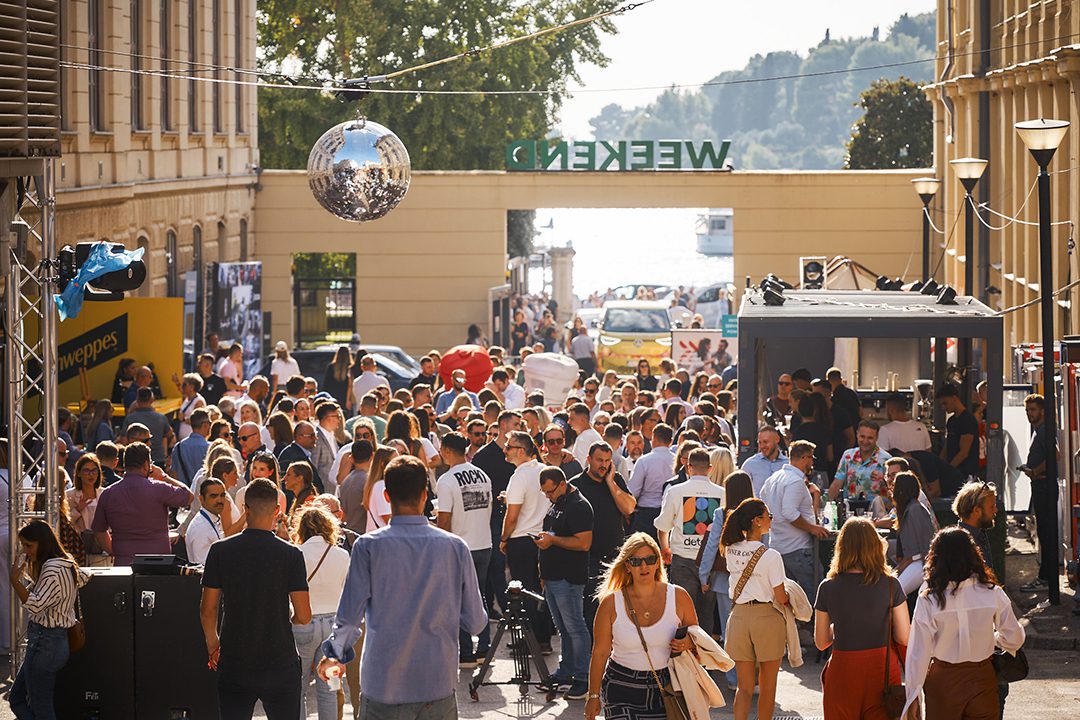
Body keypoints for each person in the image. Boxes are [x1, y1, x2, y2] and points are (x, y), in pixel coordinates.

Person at [317, 456, 488, 719]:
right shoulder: (455, 547)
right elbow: (476, 622)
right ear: (425, 495)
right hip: (437, 683)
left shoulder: (368, 546)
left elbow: (350, 617)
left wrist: (335, 653)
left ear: (387, 496)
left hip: (384, 683)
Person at [200, 478, 312, 719]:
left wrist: (213, 644)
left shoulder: (220, 550)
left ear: (245, 509)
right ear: (277, 510)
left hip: (235, 659)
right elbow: (304, 616)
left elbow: (208, 609)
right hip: (280, 660)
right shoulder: (291, 554)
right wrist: (287, 618)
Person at [903, 528, 1025, 720]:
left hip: (943, 680)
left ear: (936, 558)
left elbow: (919, 653)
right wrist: (993, 638)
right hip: (982, 677)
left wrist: (912, 696)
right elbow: (1015, 639)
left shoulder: (929, 599)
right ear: (973, 555)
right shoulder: (992, 592)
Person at [583, 532, 698, 720]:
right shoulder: (611, 604)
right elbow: (600, 652)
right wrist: (593, 696)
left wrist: (687, 643)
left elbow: (697, 639)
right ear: (627, 566)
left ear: (658, 562)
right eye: (636, 561)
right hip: (621, 686)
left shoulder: (679, 597)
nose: (644, 566)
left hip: (667, 687)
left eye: (650, 560)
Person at [814, 517, 910, 720]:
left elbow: (821, 642)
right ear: (876, 546)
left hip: (843, 671)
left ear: (841, 547)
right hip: (881, 671)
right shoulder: (891, 585)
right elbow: (904, 637)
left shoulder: (827, 587)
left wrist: (842, 625)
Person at [9, 520, 88, 720]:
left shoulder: (53, 568)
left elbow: (36, 605)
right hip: (51, 642)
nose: (25, 551)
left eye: (29, 545)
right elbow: (85, 576)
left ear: (42, 543)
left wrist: (15, 582)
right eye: (23, 545)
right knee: (18, 699)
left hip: (46, 643)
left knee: (39, 707)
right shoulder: (65, 562)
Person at [722, 498, 789, 720]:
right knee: (768, 687)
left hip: (739, 617)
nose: (771, 520)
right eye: (769, 516)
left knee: (744, 687)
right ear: (757, 521)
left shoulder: (730, 549)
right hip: (765, 617)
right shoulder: (772, 556)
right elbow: (780, 596)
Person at [435, 432, 494, 667]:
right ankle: (484, 647)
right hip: (483, 543)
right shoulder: (482, 475)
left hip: (460, 546)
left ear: (448, 450)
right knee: (480, 596)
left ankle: (467, 652)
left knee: (458, 598)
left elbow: (444, 520)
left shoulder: (447, 480)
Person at [535, 466, 594, 699]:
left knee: (575, 628)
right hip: (553, 576)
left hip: (568, 578)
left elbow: (584, 543)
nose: (548, 496)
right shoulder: (559, 502)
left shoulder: (579, 505)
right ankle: (566, 671)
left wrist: (552, 541)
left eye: (550, 491)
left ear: (562, 484)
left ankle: (583, 678)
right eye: (545, 493)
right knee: (564, 629)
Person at [654, 447, 725, 635]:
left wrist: (665, 548)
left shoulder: (675, 491)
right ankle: (704, 650)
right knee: (706, 613)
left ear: (688, 467)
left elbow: (663, 526)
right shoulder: (722, 494)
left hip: (683, 559)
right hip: (711, 561)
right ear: (710, 468)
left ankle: (684, 650)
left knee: (682, 611)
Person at [291, 505, 350, 720]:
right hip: (333, 626)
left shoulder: (295, 554)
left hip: (303, 623)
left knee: (298, 688)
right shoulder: (342, 555)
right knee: (329, 689)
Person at [91, 442, 194, 565]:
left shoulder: (108, 493)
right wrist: (163, 476)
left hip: (124, 561)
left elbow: (99, 530)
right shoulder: (159, 488)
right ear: (146, 465)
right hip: (158, 562)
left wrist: (112, 551)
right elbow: (188, 496)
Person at [571, 442, 636, 632]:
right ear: (589, 459)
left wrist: (610, 483)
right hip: (587, 558)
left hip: (614, 557)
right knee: (591, 611)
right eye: (599, 460)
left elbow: (629, 508)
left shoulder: (616, 480)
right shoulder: (576, 484)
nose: (604, 465)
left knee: (617, 608)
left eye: (607, 461)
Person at [698, 470, 754, 689]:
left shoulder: (722, 514)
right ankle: (752, 677)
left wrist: (704, 576)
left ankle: (733, 679)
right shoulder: (759, 512)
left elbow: (712, 547)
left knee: (728, 631)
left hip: (725, 581)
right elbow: (766, 545)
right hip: (753, 581)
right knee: (750, 632)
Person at [759, 441, 831, 609]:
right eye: (811, 458)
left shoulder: (773, 479)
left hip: (778, 546)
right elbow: (789, 512)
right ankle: (812, 625)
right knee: (814, 595)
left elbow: (764, 503)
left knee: (787, 599)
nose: (812, 463)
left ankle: (794, 626)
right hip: (798, 548)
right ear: (804, 458)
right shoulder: (795, 481)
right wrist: (812, 528)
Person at [500, 431, 553, 653]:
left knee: (524, 592)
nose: (505, 450)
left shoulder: (519, 476)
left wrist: (504, 538)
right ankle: (543, 639)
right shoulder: (544, 470)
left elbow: (512, 516)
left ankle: (531, 641)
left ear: (521, 451)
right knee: (540, 590)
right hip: (543, 539)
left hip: (522, 540)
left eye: (509, 446)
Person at [472, 410, 521, 623]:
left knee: (514, 567)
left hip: (518, 517)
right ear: (502, 426)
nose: (520, 428)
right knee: (497, 566)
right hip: (493, 519)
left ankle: (516, 612)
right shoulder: (483, 456)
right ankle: (509, 613)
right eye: (516, 424)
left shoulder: (520, 452)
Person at [1019, 393, 1054, 593]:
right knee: (1044, 532)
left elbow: (1054, 455)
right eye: (1027, 410)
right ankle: (1046, 577)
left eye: (1032, 410)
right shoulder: (1038, 430)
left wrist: (1034, 471)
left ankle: (1046, 578)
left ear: (1042, 411)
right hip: (1040, 484)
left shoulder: (1043, 431)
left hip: (1044, 485)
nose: (1029, 414)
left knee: (1047, 533)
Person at [626, 423, 675, 539]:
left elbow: (633, 491)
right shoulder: (676, 459)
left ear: (654, 439)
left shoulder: (644, 461)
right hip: (671, 513)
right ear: (671, 441)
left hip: (646, 515)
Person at [893, 471, 937, 595]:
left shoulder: (916, 509)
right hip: (912, 561)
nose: (892, 489)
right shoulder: (907, 509)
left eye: (895, 486)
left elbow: (926, 544)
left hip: (921, 563)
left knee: (895, 593)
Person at [828, 420, 891, 503]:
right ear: (857, 434)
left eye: (870, 438)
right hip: (850, 508)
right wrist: (827, 504)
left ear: (877, 437)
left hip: (878, 508)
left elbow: (892, 488)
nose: (865, 441)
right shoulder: (848, 455)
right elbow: (837, 484)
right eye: (862, 436)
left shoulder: (886, 459)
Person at [122, 387, 175, 466]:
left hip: (136, 460)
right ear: (152, 399)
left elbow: (124, 440)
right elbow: (170, 435)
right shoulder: (161, 418)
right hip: (158, 458)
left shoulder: (130, 418)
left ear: (137, 400)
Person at [938, 383, 980, 480]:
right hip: (954, 471)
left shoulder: (967, 419)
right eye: (941, 405)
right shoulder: (951, 421)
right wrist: (939, 464)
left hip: (965, 472)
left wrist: (948, 469)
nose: (943, 407)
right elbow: (947, 446)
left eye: (945, 403)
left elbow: (964, 452)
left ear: (954, 398)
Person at [953, 480, 997, 571]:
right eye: (992, 507)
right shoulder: (961, 544)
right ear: (977, 510)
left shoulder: (979, 534)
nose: (995, 510)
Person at [186, 478, 228, 564]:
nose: (219, 500)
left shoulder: (212, 519)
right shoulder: (200, 528)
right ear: (201, 499)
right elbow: (203, 566)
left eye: (222, 495)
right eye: (213, 496)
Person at [277, 421, 325, 494]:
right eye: (311, 436)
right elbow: (287, 486)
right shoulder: (292, 456)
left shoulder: (299, 453)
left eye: (315, 435)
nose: (315, 438)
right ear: (299, 437)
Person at [740, 426, 787, 497]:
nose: (762, 446)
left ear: (777, 439)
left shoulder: (788, 464)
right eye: (760, 443)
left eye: (765, 442)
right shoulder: (749, 465)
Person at [172, 408, 212, 490]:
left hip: (184, 493)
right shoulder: (210, 448)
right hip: (204, 493)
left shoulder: (178, 447)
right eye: (210, 423)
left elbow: (174, 474)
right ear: (205, 425)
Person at [339, 440, 373, 534]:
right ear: (372, 456)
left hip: (349, 532)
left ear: (352, 458)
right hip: (364, 533)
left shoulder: (346, 481)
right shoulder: (369, 481)